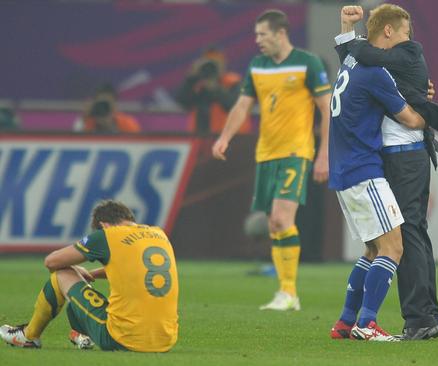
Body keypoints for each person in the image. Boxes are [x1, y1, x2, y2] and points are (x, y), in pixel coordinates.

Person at [333, 3, 438, 340]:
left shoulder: (405, 54)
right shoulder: (376, 63)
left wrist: (352, 40)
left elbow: (362, 57)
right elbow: (360, 58)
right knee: (399, 239)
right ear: (388, 30)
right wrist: (347, 29)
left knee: (403, 239)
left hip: (404, 157)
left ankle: (418, 318)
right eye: (404, 30)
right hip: (394, 157)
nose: (409, 37)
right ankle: (424, 316)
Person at [211, 9, 332, 311]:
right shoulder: (258, 66)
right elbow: (242, 105)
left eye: (263, 34)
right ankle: (286, 292)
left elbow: (327, 109)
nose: (258, 40)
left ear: (280, 34)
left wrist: (324, 153)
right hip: (266, 153)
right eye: (256, 35)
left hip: (296, 151)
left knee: (281, 218)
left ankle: (289, 292)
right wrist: (225, 136)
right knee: (274, 225)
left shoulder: (308, 63)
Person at [0, 200, 179, 352]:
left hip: (124, 338)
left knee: (62, 273)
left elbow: (52, 262)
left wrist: (75, 270)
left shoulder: (107, 235)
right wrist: (89, 274)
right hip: (166, 339)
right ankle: (81, 334)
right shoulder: (158, 233)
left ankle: (29, 336)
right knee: (81, 289)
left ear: (103, 225)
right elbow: (137, 271)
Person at [176, 47, 252, 135]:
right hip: (201, 138)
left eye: (215, 63)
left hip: (229, 139)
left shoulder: (233, 82)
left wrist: (215, 88)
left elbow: (233, 106)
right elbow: (183, 102)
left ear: (223, 64)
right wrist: (191, 78)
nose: (211, 68)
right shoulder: (197, 85)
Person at [73, 83, 141, 133]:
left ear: (115, 105)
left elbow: (137, 144)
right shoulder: (87, 121)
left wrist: (109, 124)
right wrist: (83, 118)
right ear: (95, 103)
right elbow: (75, 142)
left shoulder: (127, 123)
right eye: (101, 103)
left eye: (107, 103)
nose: (104, 107)